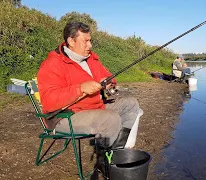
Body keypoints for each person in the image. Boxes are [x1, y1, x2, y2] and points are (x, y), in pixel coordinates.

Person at [37, 21, 143, 170]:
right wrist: (80, 89)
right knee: (110, 118)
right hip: (65, 117)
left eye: (90, 40)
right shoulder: (52, 64)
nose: (90, 45)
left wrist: (108, 83)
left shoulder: (91, 59)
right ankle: (103, 162)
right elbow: (49, 101)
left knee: (131, 104)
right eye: (85, 41)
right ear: (71, 41)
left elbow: (109, 77)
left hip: (95, 107)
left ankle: (115, 153)